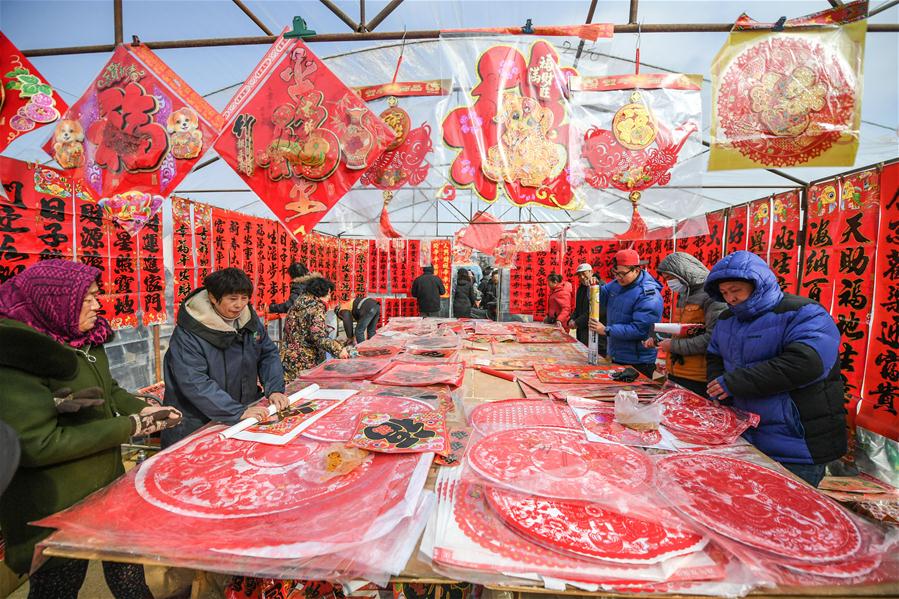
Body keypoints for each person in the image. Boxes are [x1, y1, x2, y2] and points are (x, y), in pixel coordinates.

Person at [0, 259, 178, 598]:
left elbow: (109, 390)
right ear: (54, 300)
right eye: (88, 298)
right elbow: (37, 444)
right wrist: (129, 425)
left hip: (107, 489)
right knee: (58, 588)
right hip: (56, 505)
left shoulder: (86, 341)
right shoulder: (16, 356)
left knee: (131, 580)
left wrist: (145, 408)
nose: (99, 305)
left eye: (98, 296)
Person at [705, 251, 846, 487]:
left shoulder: (804, 313)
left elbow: (807, 363)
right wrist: (717, 385)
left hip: (796, 442)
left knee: (793, 516)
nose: (730, 298)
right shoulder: (728, 319)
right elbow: (714, 355)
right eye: (725, 293)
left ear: (758, 284)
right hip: (746, 432)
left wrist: (734, 383)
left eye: (736, 290)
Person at [163, 267, 288, 448]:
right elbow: (194, 381)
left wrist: (274, 389)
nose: (239, 305)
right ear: (213, 298)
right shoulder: (189, 334)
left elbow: (267, 354)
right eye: (232, 299)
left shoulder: (249, 322)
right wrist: (235, 411)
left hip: (243, 412)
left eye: (244, 298)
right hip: (197, 422)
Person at [642, 252, 726, 396]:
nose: (669, 283)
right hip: (676, 371)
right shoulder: (684, 294)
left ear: (683, 273)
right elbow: (684, 329)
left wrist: (673, 346)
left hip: (698, 377)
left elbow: (712, 338)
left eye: (670, 278)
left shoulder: (712, 296)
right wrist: (658, 339)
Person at [589, 249, 663, 379]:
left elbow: (640, 330)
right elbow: (602, 295)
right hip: (617, 354)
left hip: (638, 361)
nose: (618, 278)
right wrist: (594, 287)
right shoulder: (617, 284)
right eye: (615, 273)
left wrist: (606, 330)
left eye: (622, 274)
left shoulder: (648, 295)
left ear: (636, 270)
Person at [281, 276, 349, 380]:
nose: (329, 297)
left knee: (292, 393)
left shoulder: (297, 304)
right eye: (329, 293)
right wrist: (338, 349)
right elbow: (317, 336)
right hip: (306, 362)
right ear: (323, 292)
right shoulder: (316, 307)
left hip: (288, 359)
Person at [568, 263, 604, 350]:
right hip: (582, 331)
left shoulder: (599, 286)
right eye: (579, 275)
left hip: (595, 332)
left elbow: (594, 310)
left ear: (591, 272)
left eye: (584, 273)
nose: (582, 277)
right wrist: (571, 319)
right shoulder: (581, 288)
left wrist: (577, 322)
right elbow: (578, 308)